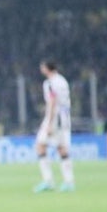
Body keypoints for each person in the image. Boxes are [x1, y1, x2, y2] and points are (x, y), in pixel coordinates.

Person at [33, 61, 74, 192]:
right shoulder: (62, 80)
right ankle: (67, 181)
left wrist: (49, 123)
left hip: (55, 118)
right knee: (60, 148)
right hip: (64, 117)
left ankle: (50, 181)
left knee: (41, 146)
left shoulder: (50, 83)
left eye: (42, 67)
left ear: (47, 68)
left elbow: (52, 101)